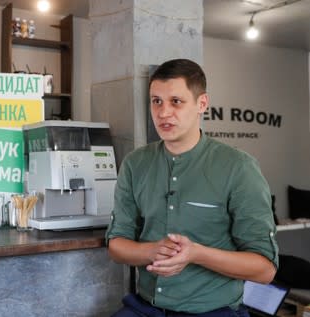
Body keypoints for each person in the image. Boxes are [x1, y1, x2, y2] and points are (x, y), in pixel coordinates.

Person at [106, 59, 278, 317]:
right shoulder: (135, 163)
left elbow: (265, 270)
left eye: (176, 101)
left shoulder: (238, 168)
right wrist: (150, 250)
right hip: (145, 308)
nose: (163, 113)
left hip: (213, 311)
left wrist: (196, 254)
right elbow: (117, 244)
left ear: (202, 104)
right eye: (156, 101)